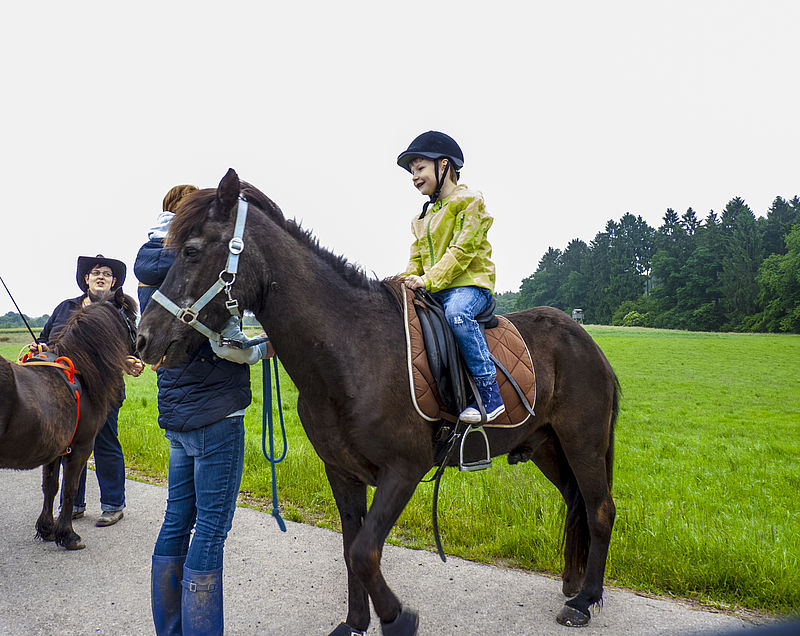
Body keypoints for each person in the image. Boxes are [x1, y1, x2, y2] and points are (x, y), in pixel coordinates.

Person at [138, 185, 274, 636]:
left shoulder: (152, 272)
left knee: (176, 519)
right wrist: (263, 350)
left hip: (176, 414)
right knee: (212, 529)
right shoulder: (198, 266)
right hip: (216, 415)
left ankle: (171, 629)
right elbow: (226, 344)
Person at [397, 130, 505, 423]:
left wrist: (427, 280)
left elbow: (462, 251)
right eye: (412, 172)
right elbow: (416, 258)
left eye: (420, 168)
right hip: (434, 288)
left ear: (443, 165)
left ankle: (489, 393)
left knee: (457, 314)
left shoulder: (469, 202)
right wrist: (406, 280)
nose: (414, 177)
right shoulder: (421, 218)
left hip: (469, 286)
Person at [35, 255, 144, 526]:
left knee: (106, 445)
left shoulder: (121, 313)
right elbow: (45, 339)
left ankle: (113, 505)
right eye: (96, 272)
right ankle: (74, 505)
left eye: (107, 273)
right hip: (64, 391)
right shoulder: (65, 307)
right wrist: (40, 348)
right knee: (67, 446)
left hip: (103, 393)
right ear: (86, 279)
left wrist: (132, 361)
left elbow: (134, 349)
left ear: (114, 281)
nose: (101, 277)